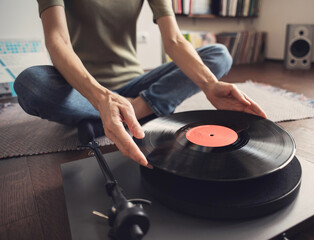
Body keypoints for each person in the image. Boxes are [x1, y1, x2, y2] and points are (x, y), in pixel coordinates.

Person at [14, 0, 266, 168]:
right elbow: (58, 40)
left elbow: (175, 41)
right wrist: (101, 97)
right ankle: (119, 112)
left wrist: (209, 84)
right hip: (83, 88)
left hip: (137, 85)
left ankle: (125, 112)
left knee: (218, 54)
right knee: (31, 84)